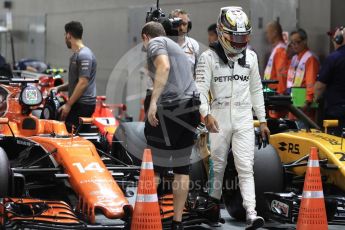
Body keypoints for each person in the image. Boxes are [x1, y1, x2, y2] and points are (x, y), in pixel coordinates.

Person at [195, 7, 269, 229]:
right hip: (218, 116)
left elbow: (257, 90)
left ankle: (252, 214)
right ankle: (213, 208)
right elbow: (200, 90)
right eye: (235, 36)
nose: (239, 40)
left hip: (244, 116)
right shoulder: (207, 58)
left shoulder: (252, 57)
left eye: (243, 36)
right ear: (222, 32)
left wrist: (263, 120)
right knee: (217, 165)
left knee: (245, 166)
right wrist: (206, 115)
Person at [142, 21, 200, 230]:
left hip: (171, 109)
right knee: (181, 169)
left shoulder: (155, 42)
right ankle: (177, 223)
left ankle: (145, 219)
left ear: (145, 37)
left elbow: (163, 66)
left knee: (155, 168)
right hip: (191, 108)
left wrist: (153, 103)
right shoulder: (176, 47)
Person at [52, 21, 97, 132]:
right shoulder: (76, 55)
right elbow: (75, 82)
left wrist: (68, 105)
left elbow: (83, 83)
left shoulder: (84, 55)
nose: (65, 38)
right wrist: (58, 88)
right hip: (78, 103)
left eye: (65, 35)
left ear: (68, 35)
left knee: (68, 136)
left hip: (83, 105)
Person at [315, 27, 345, 136]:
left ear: (339, 39)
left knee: (335, 144)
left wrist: (314, 100)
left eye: (334, 38)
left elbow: (319, 87)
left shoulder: (333, 58)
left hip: (336, 113)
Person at [286, 29, 319, 120]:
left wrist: (307, 101)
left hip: (304, 106)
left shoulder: (310, 58)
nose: (294, 45)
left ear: (305, 41)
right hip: (293, 104)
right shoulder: (295, 58)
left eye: (297, 42)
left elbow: (311, 82)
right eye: (292, 43)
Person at [170, 9, 199, 76]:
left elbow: (197, 72)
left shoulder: (193, 44)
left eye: (184, 24)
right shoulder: (164, 44)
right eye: (179, 24)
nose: (181, 27)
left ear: (189, 26)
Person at [264, 21, 289, 94]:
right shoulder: (277, 49)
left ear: (274, 33)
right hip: (271, 90)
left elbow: (281, 74)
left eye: (268, 33)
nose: (267, 36)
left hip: (275, 92)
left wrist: (280, 94)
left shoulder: (280, 50)